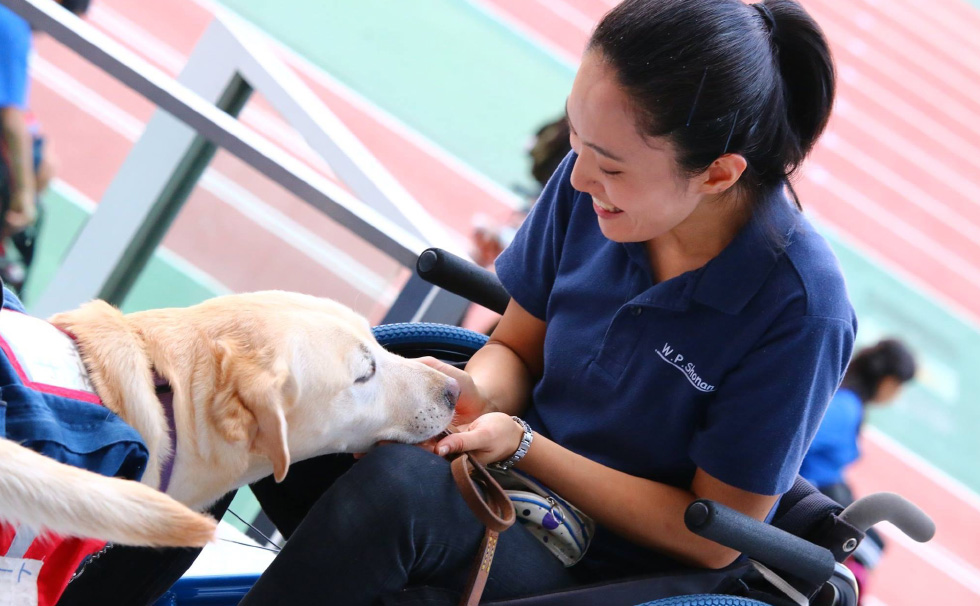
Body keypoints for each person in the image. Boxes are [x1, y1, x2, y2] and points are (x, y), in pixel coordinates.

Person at [237, 0, 855, 603]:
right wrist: (465, 398)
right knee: (275, 399)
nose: (579, 176)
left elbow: (711, 537)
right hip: (501, 476)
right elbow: (514, 348)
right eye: (577, 139)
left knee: (396, 493)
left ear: (719, 174)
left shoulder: (801, 309)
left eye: (609, 165)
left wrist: (528, 448)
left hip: (610, 575)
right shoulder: (590, 184)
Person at [799, 338, 916, 604]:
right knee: (867, 552)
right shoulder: (846, 408)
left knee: (874, 543)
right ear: (888, 382)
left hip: (827, 485)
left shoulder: (848, 400)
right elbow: (798, 441)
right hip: (812, 488)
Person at [0, 0, 89, 292]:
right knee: (32, 163)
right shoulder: (12, 26)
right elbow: (11, 118)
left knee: (40, 155)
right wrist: (25, 195)